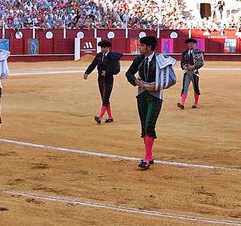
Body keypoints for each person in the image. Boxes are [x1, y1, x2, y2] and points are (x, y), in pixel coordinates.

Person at [125, 34, 176, 169]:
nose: (139, 47)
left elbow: (172, 79)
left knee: (149, 124)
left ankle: (147, 158)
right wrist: (135, 81)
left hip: (155, 96)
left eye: (142, 45)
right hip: (141, 95)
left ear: (149, 47)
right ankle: (149, 154)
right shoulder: (139, 59)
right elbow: (128, 73)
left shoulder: (161, 59)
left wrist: (157, 86)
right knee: (144, 125)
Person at [83, 39, 121, 123]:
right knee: (104, 98)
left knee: (106, 98)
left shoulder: (113, 56)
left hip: (108, 80)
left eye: (104, 47)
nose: (103, 49)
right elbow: (93, 65)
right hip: (100, 79)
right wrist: (87, 72)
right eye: (102, 47)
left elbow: (117, 69)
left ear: (108, 48)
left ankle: (99, 117)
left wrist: (107, 72)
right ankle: (110, 117)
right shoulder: (99, 55)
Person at [177, 37, 204, 109]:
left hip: (195, 72)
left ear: (195, 44)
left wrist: (193, 66)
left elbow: (201, 63)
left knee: (196, 88)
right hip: (187, 72)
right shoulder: (184, 53)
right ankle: (182, 104)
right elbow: (182, 62)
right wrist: (184, 67)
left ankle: (196, 103)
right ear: (187, 44)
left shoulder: (198, 52)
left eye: (192, 43)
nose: (190, 44)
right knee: (185, 87)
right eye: (189, 43)